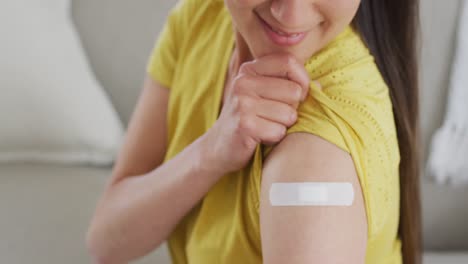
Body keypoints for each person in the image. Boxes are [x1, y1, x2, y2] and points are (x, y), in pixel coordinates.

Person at [86, 0, 422, 263]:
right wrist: (210, 152)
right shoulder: (200, 16)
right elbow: (106, 240)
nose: (290, 14)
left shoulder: (317, 157)